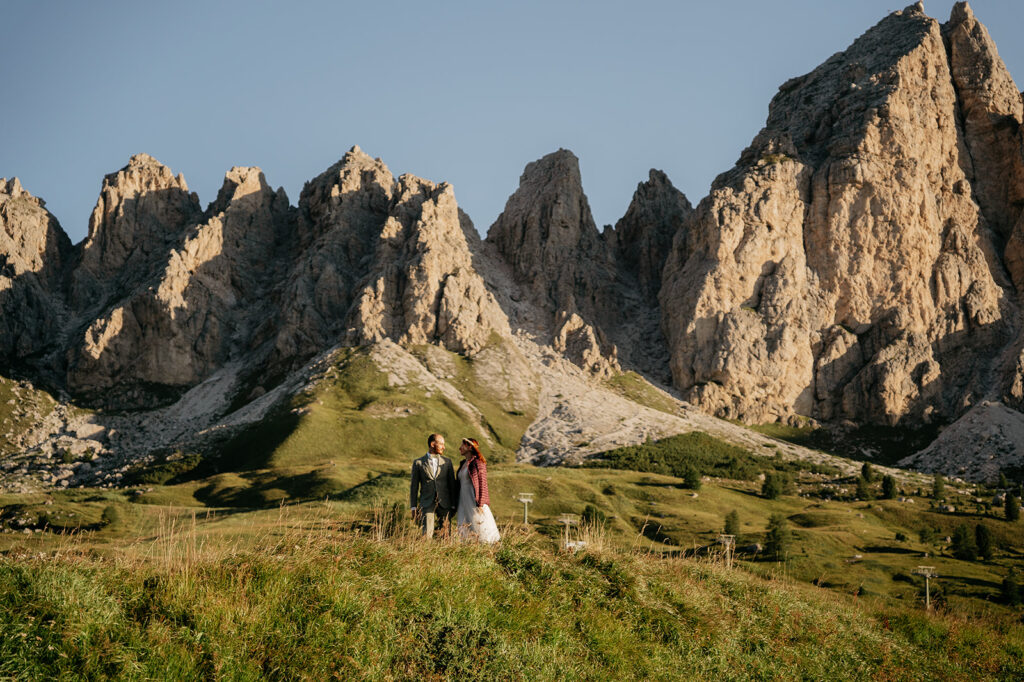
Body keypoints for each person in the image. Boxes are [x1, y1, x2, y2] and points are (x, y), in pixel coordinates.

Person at [409, 433, 457, 538]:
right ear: (432, 444)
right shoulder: (418, 463)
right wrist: (413, 507)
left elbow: (452, 485)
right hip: (426, 503)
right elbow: (414, 487)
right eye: (441, 444)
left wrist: (453, 504)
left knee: (446, 535)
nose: (444, 447)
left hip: (445, 503)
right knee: (426, 534)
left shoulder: (447, 462)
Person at [456, 438, 500, 543]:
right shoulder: (462, 464)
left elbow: (483, 484)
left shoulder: (478, 463)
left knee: (479, 524)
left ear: (470, 447)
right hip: (462, 499)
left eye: (462, 445)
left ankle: (486, 547)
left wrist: (480, 503)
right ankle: (468, 547)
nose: (460, 448)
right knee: (464, 524)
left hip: (473, 499)